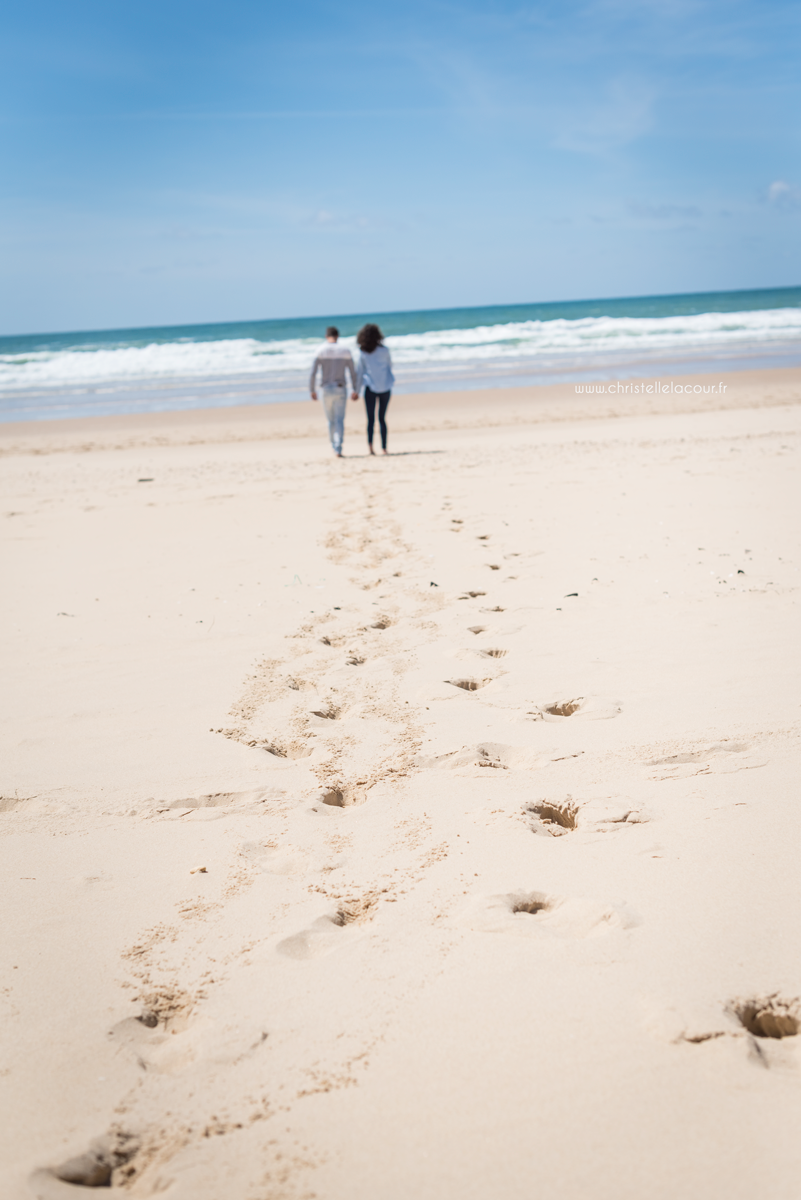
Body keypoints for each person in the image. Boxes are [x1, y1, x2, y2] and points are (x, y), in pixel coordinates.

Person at [309, 327, 359, 457]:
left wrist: (312, 389)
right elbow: (353, 372)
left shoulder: (320, 350)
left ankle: (333, 445)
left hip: (325, 388)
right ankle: (339, 447)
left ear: (327, 336)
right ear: (338, 336)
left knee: (330, 420)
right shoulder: (345, 350)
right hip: (340, 387)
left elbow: (313, 373)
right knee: (339, 419)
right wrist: (356, 389)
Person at [356, 324, 394, 455]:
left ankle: (371, 448)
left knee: (370, 420)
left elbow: (360, 372)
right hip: (386, 386)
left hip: (370, 388)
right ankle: (384, 448)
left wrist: (355, 390)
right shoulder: (384, 350)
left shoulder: (363, 352)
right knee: (382, 418)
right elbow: (390, 366)